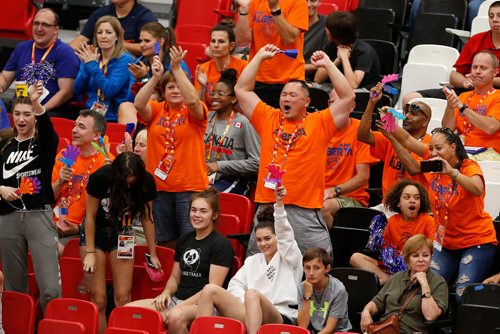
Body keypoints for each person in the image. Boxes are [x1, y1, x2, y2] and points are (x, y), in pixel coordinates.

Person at [235, 45, 355, 255]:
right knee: (259, 265)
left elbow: (347, 98)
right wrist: (259, 57)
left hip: (304, 209)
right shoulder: (268, 117)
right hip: (268, 206)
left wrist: (328, 63)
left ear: (306, 102)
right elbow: (242, 90)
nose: (286, 99)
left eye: (292, 95)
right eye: (283, 95)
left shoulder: (320, 122)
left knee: (316, 266)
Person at [386, 126, 498, 300]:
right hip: (445, 244)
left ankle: (461, 326)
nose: (433, 152)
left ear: (453, 147)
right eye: (431, 148)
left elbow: (477, 188)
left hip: (476, 242)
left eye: (438, 148)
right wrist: (389, 123)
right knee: (424, 287)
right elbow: (408, 140)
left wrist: (452, 173)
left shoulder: (469, 167)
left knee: (462, 294)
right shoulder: (433, 163)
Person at [195, 186, 303, 334]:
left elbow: (285, 234)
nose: (263, 244)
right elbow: (234, 284)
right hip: (250, 311)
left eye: (267, 239)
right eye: (258, 240)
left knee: (252, 294)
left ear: (278, 237)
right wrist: (247, 303)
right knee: (209, 290)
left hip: (280, 315)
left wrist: (278, 204)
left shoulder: (290, 257)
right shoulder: (252, 261)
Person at [126, 188, 234, 334]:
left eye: (203, 211)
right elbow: (175, 278)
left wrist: (180, 307)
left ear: (214, 215)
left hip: (204, 306)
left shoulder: (221, 244)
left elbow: (212, 289)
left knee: (176, 317)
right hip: (177, 300)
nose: (197, 215)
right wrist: (166, 293)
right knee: (128, 311)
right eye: (193, 210)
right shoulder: (185, 239)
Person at [134, 46, 208, 246]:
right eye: (170, 87)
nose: (176, 90)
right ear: (164, 91)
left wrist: (176, 69)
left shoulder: (194, 113)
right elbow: (139, 104)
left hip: (190, 188)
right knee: (164, 241)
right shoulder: (157, 110)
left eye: (179, 86)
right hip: (159, 187)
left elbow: (192, 99)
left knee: (190, 242)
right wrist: (155, 78)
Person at [0, 83, 60, 314]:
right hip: (7, 217)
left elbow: (46, 129)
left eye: (27, 114)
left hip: (39, 216)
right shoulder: (3, 143)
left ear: (34, 117)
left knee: (50, 290)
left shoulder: (43, 143)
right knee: (14, 289)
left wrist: (37, 103)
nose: (22, 119)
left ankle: (51, 326)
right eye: (17, 114)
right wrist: (1, 188)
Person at [82, 152, 159, 332]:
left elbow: (148, 218)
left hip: (123, 233)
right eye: (125, 179)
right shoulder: (100, 178)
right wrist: (90, 252)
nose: (128, 184)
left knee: (123, 297)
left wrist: (153, 253)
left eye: (132, 180)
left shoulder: (147, 182)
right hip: (96, 232)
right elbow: (90, 217)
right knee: (99, 299)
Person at [403, 1, 500, 106]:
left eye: (499, 16)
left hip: (494, 95)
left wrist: (485, 80)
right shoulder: (476, 40)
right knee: (411, 100)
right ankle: (418, 120)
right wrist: (464, 82)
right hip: (465, 92)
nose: (494, 19)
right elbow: (454, 75)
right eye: (491, 16)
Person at [357, 84, 431, 214]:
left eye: (413, 114)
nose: (407, 116)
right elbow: (362, 135)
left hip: (415, 210)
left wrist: (393, 138)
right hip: (388, 205)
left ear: (425, 122)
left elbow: (413, 169)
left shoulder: (430, 144)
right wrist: (371, 103)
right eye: (405, 112)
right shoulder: (391, 135)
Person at [350, 180, 436, 285]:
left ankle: (387, 281)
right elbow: (385, 252)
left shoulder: (428, 221)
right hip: (393, 265)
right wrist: (376, 237)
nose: (412, 201)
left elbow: (431, 251)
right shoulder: (392, 221)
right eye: (407, 197)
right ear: (398, 203)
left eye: (417, 198)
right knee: (355, 257)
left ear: (421, 202)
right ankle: (386, 279)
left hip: (415, 263)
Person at [360, 235, 448, 334]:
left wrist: (424, 284)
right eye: (415, 256)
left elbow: (430, 316)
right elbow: (377, 303)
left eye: (425, 255)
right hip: (386, 329)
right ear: (407, 259)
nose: (421, 259)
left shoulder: (438, 282)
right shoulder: (397, 277)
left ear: (431, 258)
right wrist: (366, 312)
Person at [0, 8, 79, 119]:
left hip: (50, 111)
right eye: (36, 23)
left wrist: (39, 111)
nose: (39, 28)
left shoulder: (65, 52)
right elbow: (4, 78)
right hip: (20, 107)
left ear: (56, 30)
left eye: (45, 25)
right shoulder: (21, 48)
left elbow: (66, 92)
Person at [51, 110, 108, 251]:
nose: (74, 130)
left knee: (54, 249)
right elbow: (48, 199)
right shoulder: (64, 155)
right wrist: (59, 181)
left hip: (83, 232)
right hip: (51, 225)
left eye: (81, 127)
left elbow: (107, 214)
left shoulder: (105, 164)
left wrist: (77, 228)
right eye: (75, 125)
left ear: (96, 135)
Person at [235, 0, 308, 107]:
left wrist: (275, 9)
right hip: (257, 78)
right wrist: (244, 10)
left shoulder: (298, 2)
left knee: (285, 123)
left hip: (289, 80)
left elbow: (290, 38)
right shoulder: (255, 2)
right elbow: (242, 41)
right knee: (254, 123)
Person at [322, 89, 379, 228]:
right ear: (329, 105)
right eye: (335, 103)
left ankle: (332, 248)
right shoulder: (318, 128)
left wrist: (334, 191)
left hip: (351, 197)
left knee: (323, 208)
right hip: (318, 193)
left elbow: (363, 177)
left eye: (343, 102)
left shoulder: (360, 131)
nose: (338, 107)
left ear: (352, 106)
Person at [204, 68, 260, 196]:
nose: (215, 97)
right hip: (204, 177)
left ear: (233, 99)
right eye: (212, 93)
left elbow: (257, 162)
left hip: (234, 179)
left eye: (220, 93)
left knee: (207, 197)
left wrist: (219, 166)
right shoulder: (206, 118)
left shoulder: (244, 123)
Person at [74, 15, 134, 124]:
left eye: (108, 32)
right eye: (99, 32)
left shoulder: (124, 59)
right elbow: (78, 89)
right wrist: (86, 66)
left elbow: (109, 90)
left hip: (113, 118)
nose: (103, 36)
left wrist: (92, 66)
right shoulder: (92, 56)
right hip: (90, 115)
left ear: (117, 36)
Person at [442, 50, 500, 157]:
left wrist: (462, 107)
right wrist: (450, 107)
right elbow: (447, 129)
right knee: (430, 158)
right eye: (475, 67)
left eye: (483, 68)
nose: (477, 71)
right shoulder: (463, 97)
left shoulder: (498, 97)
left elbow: (491, 127)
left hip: (490, 154)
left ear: (495, 73)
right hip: (462, 150)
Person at [315, 11, 380, 90]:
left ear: (334, 34)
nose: (326, 30)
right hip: (336, 87)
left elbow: (353, 85)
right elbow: (317, 79)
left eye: (328, 29)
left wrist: (344, 58)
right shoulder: (330, 46)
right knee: (313, 88)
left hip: (362, 91)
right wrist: (337, 60)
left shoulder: (365, 51)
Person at [69, 0, 157, 56]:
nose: (104, 36)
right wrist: (61, 52)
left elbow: (156, 47)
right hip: (99, 61)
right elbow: (82, 39)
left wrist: (115, 43)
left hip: (131, 68)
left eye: (108, 33)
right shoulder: (101, 13)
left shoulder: (146, 17)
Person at [297, 247, 352, 333]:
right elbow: (302, 326)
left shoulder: (338, 289)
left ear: (327, 268)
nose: (311, 273)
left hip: (337, 332)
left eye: (317, 268)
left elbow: (330, 329)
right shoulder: (302, 287)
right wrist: (307, 296)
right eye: (307, 268)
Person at [195, 25, 248, 108]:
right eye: (213, 41)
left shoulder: (243, 67)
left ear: (231, 46)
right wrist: (202, 87)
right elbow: (199, 107)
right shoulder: (203, 69)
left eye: (221, 41)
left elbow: (246, 103)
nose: (216, 45)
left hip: (236, 117)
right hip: (210, 117)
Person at [304, 0, 328, 81]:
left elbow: (328, 60)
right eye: (305, 1)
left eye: (313, 0)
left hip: (311, 80)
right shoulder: (287, 23)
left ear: (319, 2)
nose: (308, 5)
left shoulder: (327, 24)